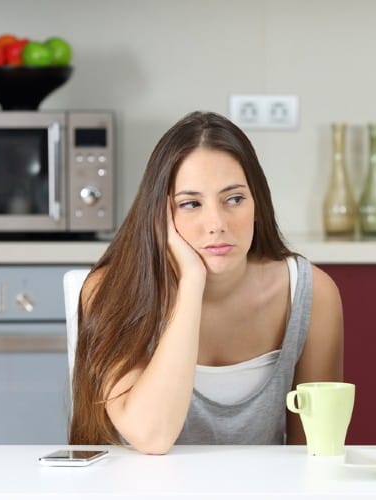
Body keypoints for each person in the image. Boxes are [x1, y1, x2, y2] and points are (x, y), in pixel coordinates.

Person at [69, 111, 344, 453]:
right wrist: (192, 282)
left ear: (257, 204)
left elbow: (315, 452)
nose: (216, 223)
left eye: (234, 199)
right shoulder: (111, 289)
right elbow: (151, 435)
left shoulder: (310, 293)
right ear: (159, 216)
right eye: (190, 204)